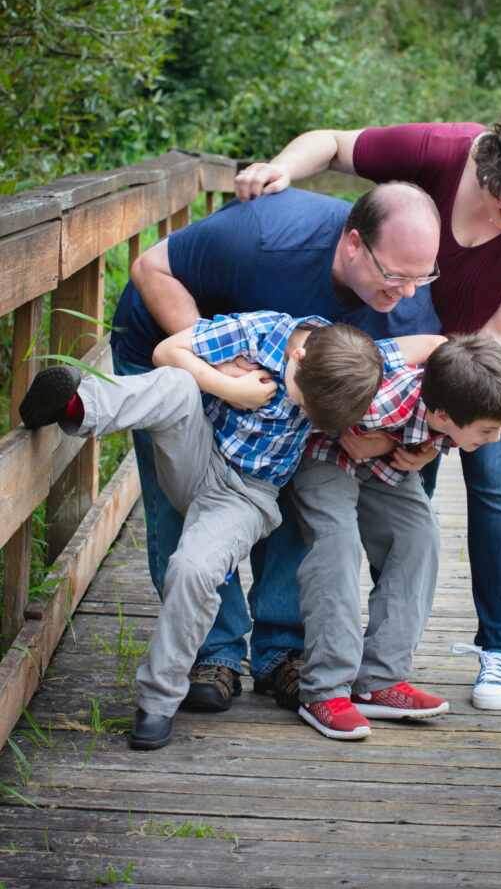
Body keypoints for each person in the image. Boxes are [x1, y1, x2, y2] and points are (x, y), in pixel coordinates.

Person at [234, 107, 501, 710]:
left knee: (495, 480)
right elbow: (331, 144)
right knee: (403, 497)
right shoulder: (441, 149)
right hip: (405, 360)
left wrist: (441, 435)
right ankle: (375, 662)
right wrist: (280, 168)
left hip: (495, 373)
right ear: (494, 167)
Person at [110, 182, 442, 712]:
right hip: (177, 346)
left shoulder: (406, 308)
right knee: (184, 509)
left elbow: (440, 374)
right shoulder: (265, 236)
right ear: (354, 244)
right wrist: (215, 369)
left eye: (423, 276)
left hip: (294, 395)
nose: (408, 291)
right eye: (396, 275)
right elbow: (152, 268)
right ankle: (211, 651)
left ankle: (279, 649)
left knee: (289, 488)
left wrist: (425, 449)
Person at [19, 309, 410, 749]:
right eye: (302, 401)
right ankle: (77, 404)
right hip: (197, 452)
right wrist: (228, 386)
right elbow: (167, 351)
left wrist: (419, 445)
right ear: (297, 356)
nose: (302, 412)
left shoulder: (354, 369)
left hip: (246, 498)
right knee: (176, 383)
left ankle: (157, 702)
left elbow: (424, 353)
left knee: (191, 568)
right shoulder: (260, 333)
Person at [294, 331, 501, 740]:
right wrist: (373, 436)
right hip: (326, 452)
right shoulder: (380, 401)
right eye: (488, 430)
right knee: (338, 546)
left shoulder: (449, 398)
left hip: (384, 461)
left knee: (420, 536)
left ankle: (378, 680)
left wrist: (431, 449)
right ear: (441, 415)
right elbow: (316, 394)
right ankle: (325, 689)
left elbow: (445, 351)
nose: (496, 438)